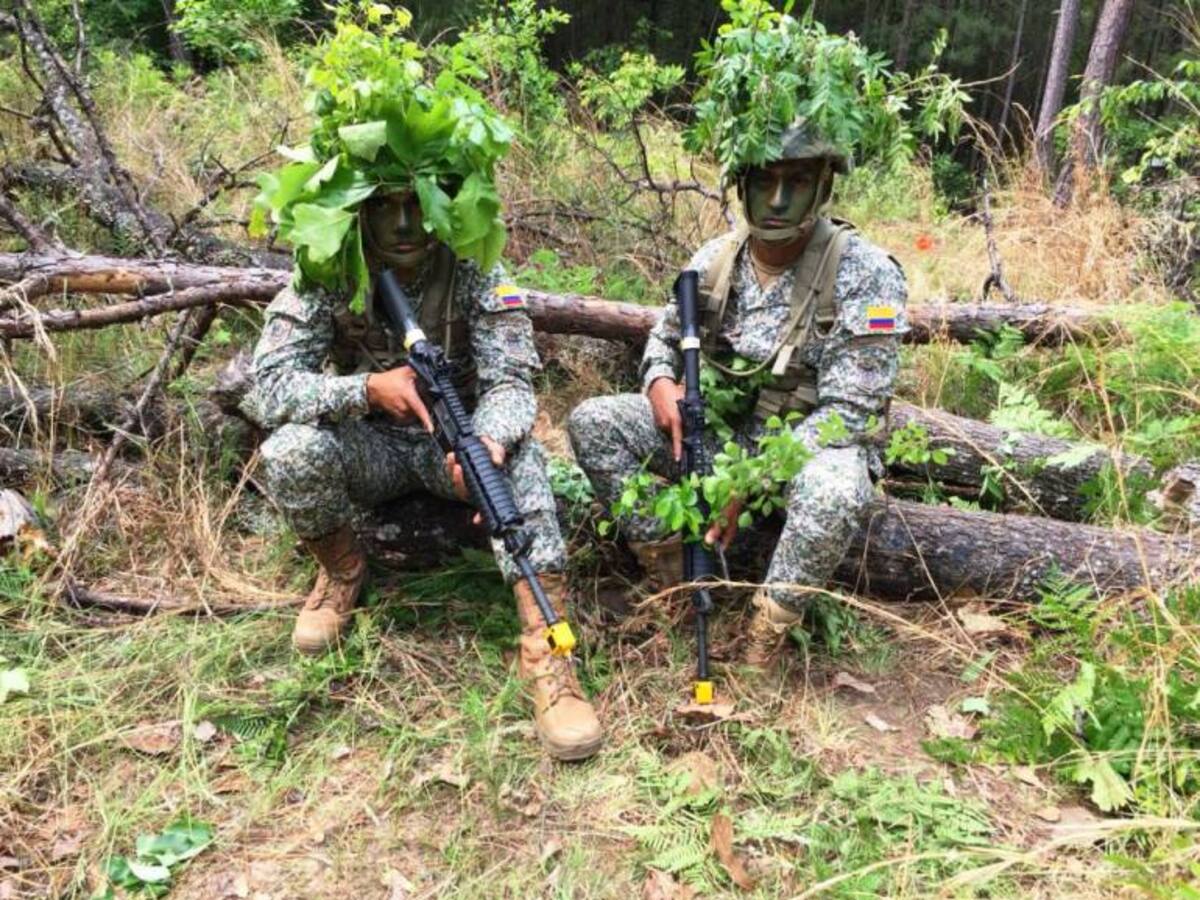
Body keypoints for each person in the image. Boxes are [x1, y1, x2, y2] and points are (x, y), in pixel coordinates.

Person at [242, 185, 604, 762]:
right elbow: (269, 388)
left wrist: (487, 443)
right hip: (369, 444)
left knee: (527, 466)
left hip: (452, 448)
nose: (405, 223)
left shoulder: (474, 267)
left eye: (418, 204)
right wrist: (364, 389)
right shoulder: (330, 267)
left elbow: (511, 381)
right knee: (289, 450)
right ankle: (342, 571)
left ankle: (547, 653)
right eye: (386, 206)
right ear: (360, 210)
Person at [567, 120, 908, 667]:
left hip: (805, 447)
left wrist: (752, 481)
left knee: (835, 491)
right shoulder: (716, 261)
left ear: (822, 186)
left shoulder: (866, 274)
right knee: (594, 422)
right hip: (719, 436)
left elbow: (850, 411)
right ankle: (674, 568)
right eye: (763, 180)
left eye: (796, 181)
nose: (777, 199)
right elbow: (664, 336)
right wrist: (659, 381)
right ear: (741, 185)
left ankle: (766, 631)